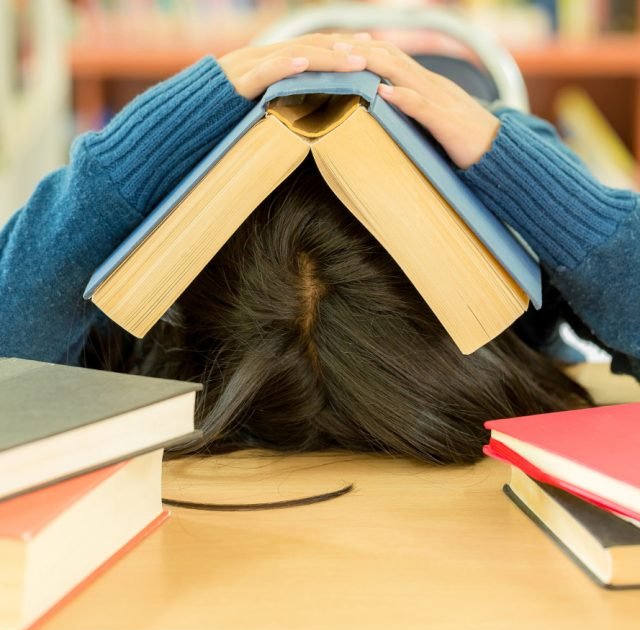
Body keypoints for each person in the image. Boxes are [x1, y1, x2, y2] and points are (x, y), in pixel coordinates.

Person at [1, 34, 637, 465]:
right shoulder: (516, 355)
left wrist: (124, 169)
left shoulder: (154, 374)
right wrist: (544, 190)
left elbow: (13, 355)